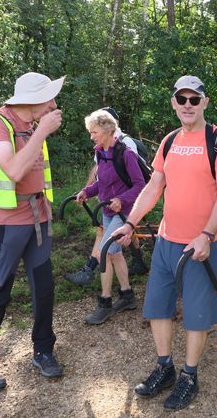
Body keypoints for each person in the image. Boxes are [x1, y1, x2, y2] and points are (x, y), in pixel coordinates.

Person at [112, 75, 217, 411]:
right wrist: (130, 222)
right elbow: (154, 187)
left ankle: (189, 376)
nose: (187, 105)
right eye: (181, 99)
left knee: (197, 316)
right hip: (167, 241)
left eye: (194, 99)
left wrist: (207, 235)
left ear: (204, 103)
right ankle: (165, 367)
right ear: (173, 103)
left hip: (199, 246)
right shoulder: (169, 141)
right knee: (158, 308)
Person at [0, 72, 65, 390]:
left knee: (44, 289)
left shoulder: (32, 126)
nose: (53, 104)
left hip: (38, 219)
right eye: (49, 98)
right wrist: (43, 134)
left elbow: (36, 171)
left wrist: (45, 202)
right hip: (4, 225)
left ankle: (43, 351)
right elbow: (11, 170)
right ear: (33, 100)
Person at [74, 110, 146, 324]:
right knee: (115, 254)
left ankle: (105, 302)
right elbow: (102, 183)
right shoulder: (102, 153)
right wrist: (87, 191)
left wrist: (121, 199)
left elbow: (140, 185)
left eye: (94, 132)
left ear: (107, 131)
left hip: (124, 211)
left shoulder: (126, 154)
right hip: (107, 210)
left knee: (105, 252)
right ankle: (127, 295)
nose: (91, 136)